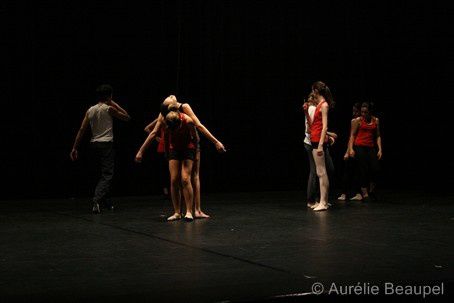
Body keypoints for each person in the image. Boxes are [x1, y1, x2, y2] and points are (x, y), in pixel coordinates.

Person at [146, 95, 226, 219]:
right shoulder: (165, 113)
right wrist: (142, 150)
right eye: (170, 98)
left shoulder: (184, 107)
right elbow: (153, 131)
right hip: (176, 147)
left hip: (192, 144)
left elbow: (198, 126)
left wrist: (215, 141)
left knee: (191, 177)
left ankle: (196, 210)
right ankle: (178, 211)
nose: (172, 95)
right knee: (178, 179)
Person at [70, 84, 131, 213]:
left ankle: (107, 202)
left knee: (100, 175)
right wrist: (114, 103)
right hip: (106, 144)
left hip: (93, 145)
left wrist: (74, 147)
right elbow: (127, 117)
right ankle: (96, 200)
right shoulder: (109, 109)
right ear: (109, 96)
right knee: (107, 175)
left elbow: (82, 130)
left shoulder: (90, 110)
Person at [136, 106, 198, 221]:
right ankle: (177, 212)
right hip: (173, 149)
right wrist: (165, 153)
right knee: (174, 179)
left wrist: (196, 153)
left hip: (187, 148)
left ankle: (189, 211)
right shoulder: (166, 122)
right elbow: (160, 136)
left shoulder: (188, 121)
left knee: (185, 179)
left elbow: (195, 137)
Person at [303, 92, 336, 209]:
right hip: (313, 141)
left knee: (322, 171)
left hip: (316, 141)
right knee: (318, 171)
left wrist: (324, 139)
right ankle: (316, 200)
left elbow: (320, 126)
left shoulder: (321, 106)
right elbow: (311, 127)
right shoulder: (313, 107)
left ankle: (322, 200)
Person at [348, 102, 382, 202]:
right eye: (362, 112)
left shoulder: (376, 120)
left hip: (370, 147)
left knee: (376, 168)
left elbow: (378, 136)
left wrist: (380, 149)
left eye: (365, 112)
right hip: (359, 146)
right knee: (363, 169)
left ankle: (371, 190)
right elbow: (352, 135)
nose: (363, 114)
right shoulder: (358, 120)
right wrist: (350, 149)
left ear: (370, 112)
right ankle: (365, 193)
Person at [337, 103, 363, 201]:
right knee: (348, 171)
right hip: (353, 147)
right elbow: (351, 137)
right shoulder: (355, 121)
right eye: (353, 111)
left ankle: (357, 193)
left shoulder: (361, 120)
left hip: (359, 148)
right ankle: (344, 193)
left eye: (356, 111)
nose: (354, 113)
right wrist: (347, 151)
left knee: (356, 172)